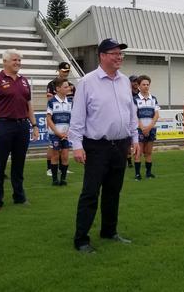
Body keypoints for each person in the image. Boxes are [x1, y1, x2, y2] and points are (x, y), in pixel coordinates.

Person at [69, 38, 139, 253]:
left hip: (120, 145)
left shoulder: (124, 81)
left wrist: (134, 138)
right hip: (96, 146)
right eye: (114, 53)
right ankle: (81, 239)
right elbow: (78, 117)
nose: (119, 57)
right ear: (102, 56)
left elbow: (131, 113)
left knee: (113, 191)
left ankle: (109, 231)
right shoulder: (87, 82)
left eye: (120, 53)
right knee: (90, 193)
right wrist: (77, 145)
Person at [0, 49, 40, 212]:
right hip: (4, 126)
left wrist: (34, 125)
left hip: (22, 126)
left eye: (19, 60)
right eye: (15, 60)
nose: (18, 63)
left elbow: (28, 105)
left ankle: (19, 196)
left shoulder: (24, 81)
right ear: (5, 61)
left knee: (19, 165)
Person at [45, 62, 75, 177]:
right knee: (52, 147)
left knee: (65, 150)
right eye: (63, 70)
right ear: (59, 70)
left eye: (67, 71)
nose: (65, 72)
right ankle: (50, 168)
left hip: (66, 118)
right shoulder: (52, 84)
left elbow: (73, 101)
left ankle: (63, 169)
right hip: (54, 117)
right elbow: (50, 100)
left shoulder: (72, 85)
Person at [133, 75, 160, 180]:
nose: (146, 86)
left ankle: (148, 173)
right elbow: (134, 116)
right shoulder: (135, 99)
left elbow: (156, 115)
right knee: (138, 152)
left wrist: (149, 127)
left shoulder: (153, 99)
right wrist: (143, 128)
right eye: (143, 84)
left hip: (151, 129)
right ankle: (137, 174)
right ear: (139, 86)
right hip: (139, 130)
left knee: (148, 152)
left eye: (147, 84)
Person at [127, 75, 139, 168]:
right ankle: (129, 160)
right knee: (128, 142)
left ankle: (137, 159)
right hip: (129, 120)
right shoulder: (127, 93)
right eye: (134, 81)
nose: (136, 83)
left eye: (137, 81)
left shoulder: (140, 93)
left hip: (139, 119)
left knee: (138, 141)